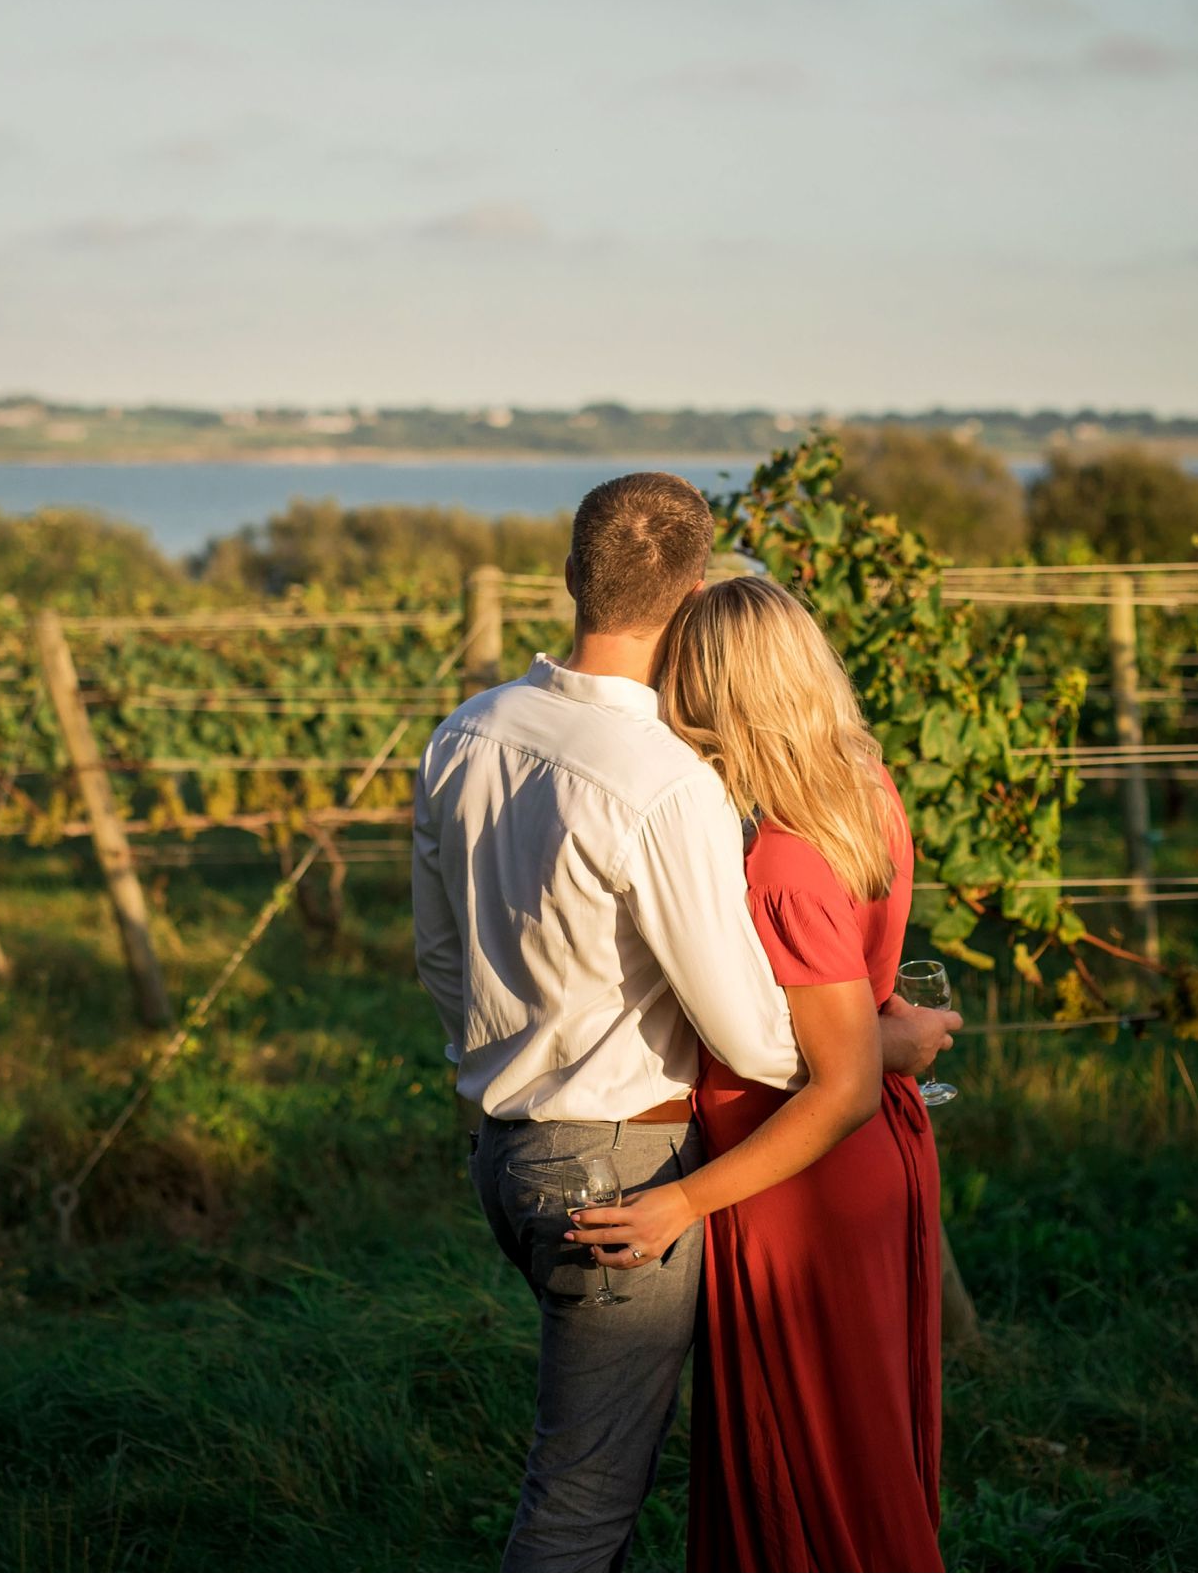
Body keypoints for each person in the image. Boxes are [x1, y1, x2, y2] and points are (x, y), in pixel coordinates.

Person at [413, 472, 959, 1572]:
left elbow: (438, 958)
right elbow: (764, 1043)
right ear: (695, 589)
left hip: (501, 1153)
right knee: (579, 1507)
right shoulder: (667, 784)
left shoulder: (463, 735)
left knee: (594, 1477)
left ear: (570, 576)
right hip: (623, 1166)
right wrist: (882, 1041)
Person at [568, 573, 945, 1570]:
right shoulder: (865, 792)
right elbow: (857, 998)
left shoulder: (779, 860)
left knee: (807, 1466)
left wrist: (676, 1203)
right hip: (868, 1157)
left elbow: (838, 1085)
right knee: (860, 1447)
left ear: (709, 692)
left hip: (794, 1176)